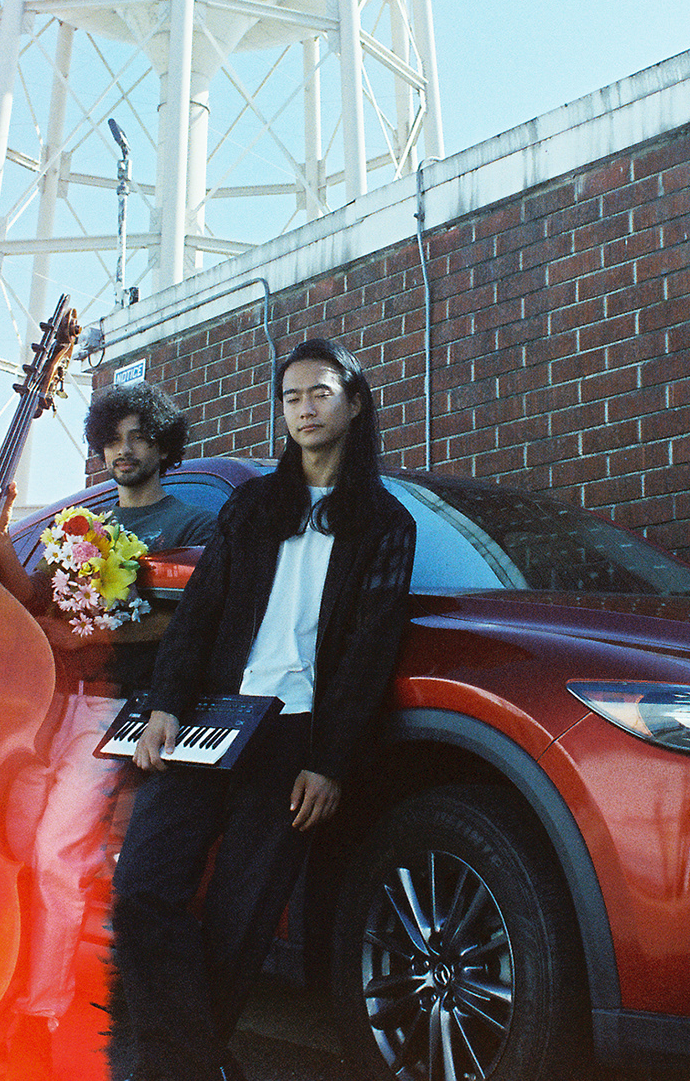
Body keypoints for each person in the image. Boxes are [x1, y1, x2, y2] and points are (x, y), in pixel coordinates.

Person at [112, 339, 417, 1081]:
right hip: (214, 718)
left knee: (241, 918)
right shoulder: (252, 507)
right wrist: (165, 708)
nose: (304, 409)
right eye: (291, 397)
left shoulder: (385, 524)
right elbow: (199, 615)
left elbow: (370, 653)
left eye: (320, 393)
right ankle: (200, 1063)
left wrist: (330, 762)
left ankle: (174, 1071)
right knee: (141, 889)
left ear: (354, 403)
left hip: (295, 736)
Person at [0, 383, 215, 1081]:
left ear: (163, 445)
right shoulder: (83, 525)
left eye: (138, 437)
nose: (123, 450)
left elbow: (190, 616)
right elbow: (27, 598)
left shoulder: (190, 522)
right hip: (46, 711)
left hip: (116, 711)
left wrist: (91, 635)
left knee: (55, 855)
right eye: (112, 439)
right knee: (8, 858)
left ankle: (39, 1023)